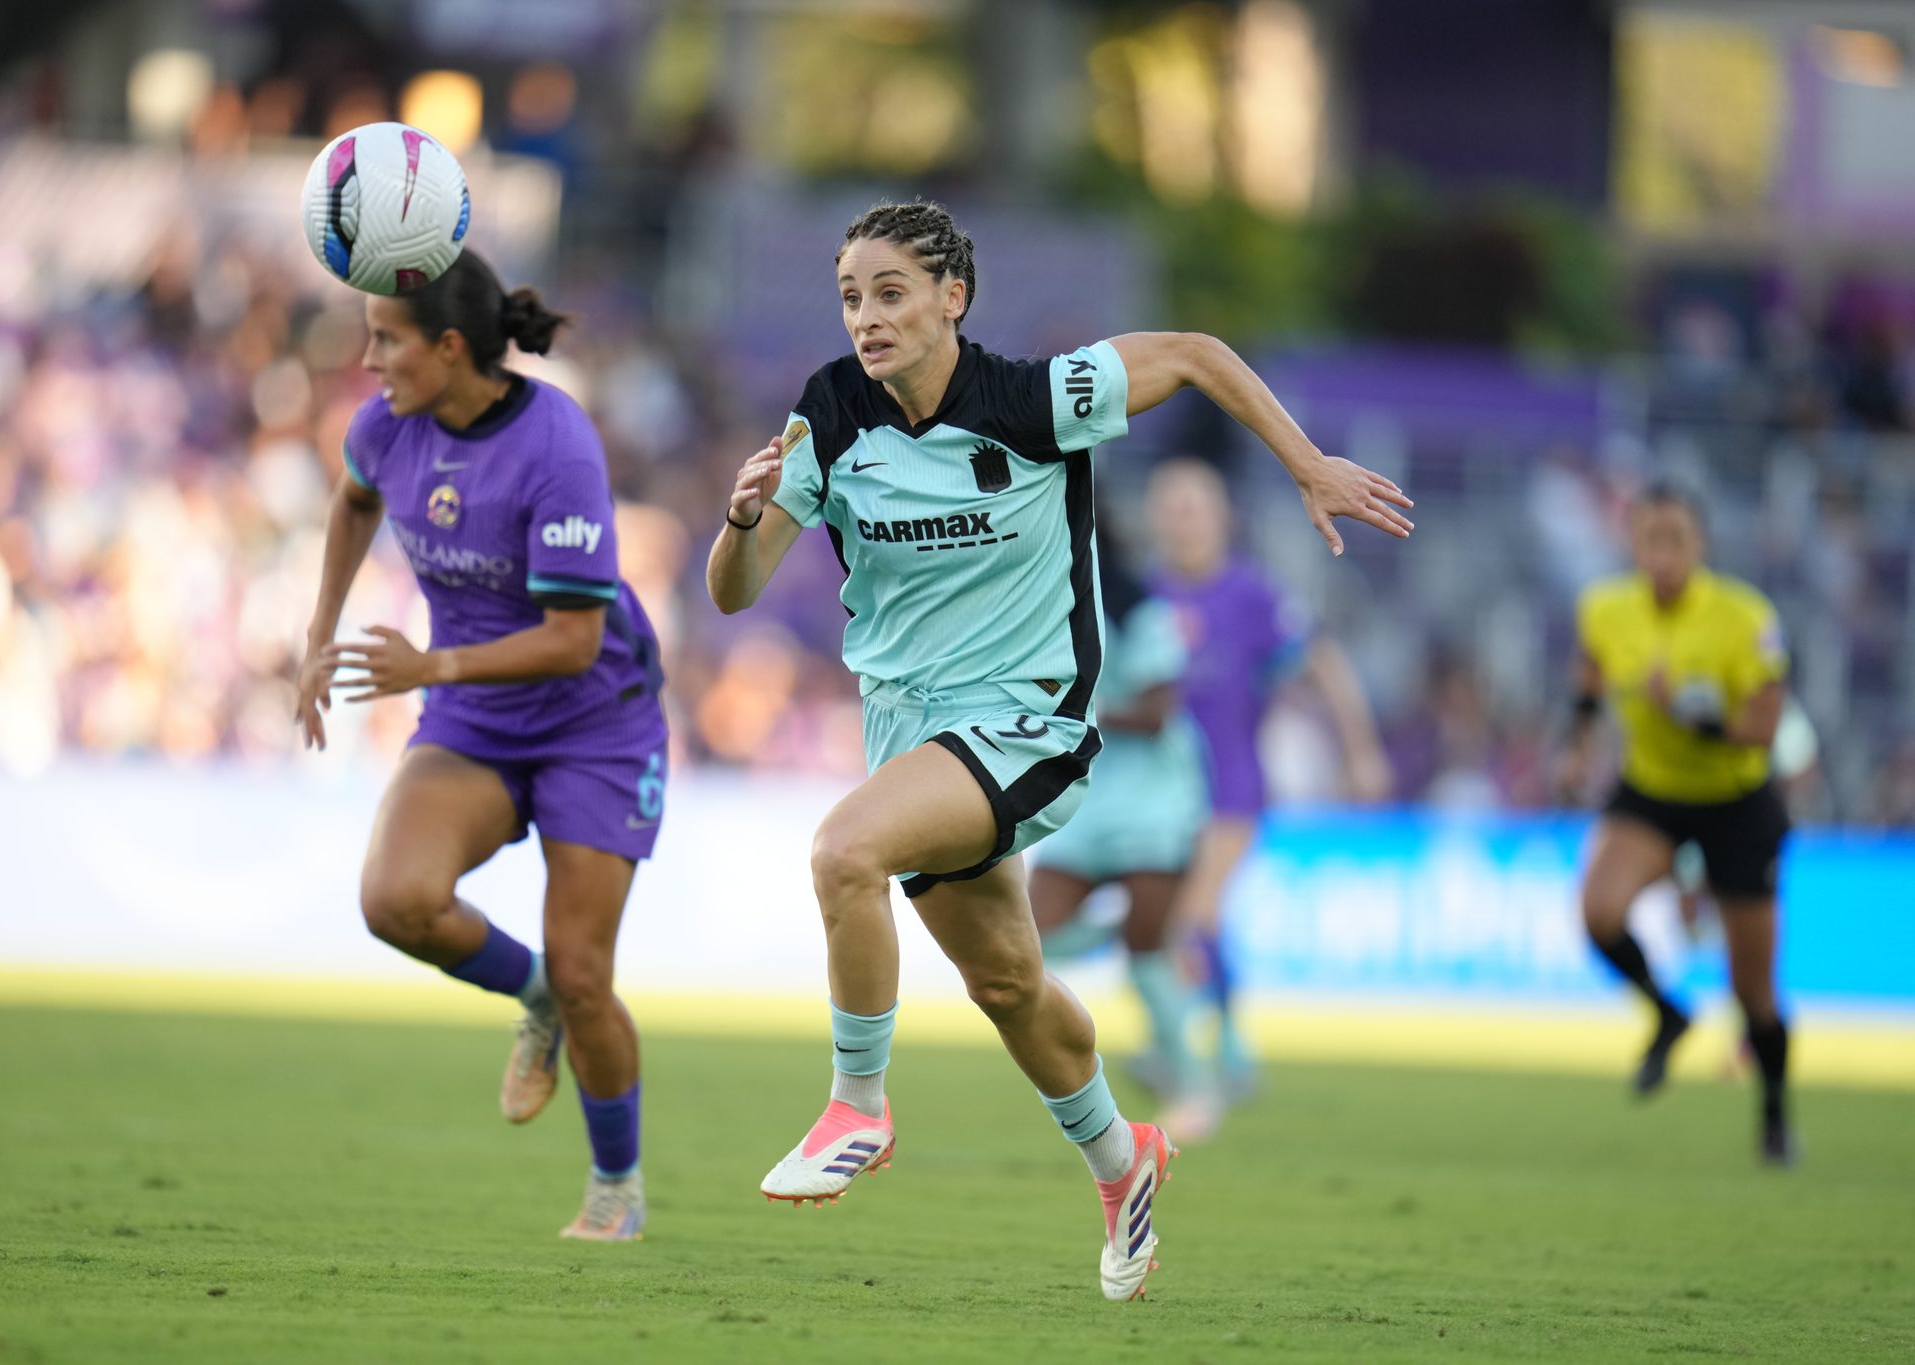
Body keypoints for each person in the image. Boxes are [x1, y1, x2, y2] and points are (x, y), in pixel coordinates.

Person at [705, 199, 1412, 1300]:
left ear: (953, 299)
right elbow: (734, 596)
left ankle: (859, 1106)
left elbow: (1191, 354)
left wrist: (1305, 463)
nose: (865, 318)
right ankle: (1122, 1161)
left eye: (890, 292)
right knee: (1006, 981)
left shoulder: (1036, 399)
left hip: (1029, 722)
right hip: (911, 735)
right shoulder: (828, 416)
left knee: (843, 852)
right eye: (850, 296)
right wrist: (741, 520)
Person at [295, 250, 669, 1238]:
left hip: (596, 720)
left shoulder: (557, 446)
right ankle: (533, 993)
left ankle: (616, 1189)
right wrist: (317, 636)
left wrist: (432, 670)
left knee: (591, 976)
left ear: (449, 348)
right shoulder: (385, 426)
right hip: (475, 717)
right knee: (396, 900)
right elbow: (353, 503)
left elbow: (574, 638)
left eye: (386, 339)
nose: (367, 358)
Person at [1557, 483, 1795, 1165]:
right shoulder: (1605, 607)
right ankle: (1668, 1012)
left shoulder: (1744, 617)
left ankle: (1775, 1112)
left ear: (1702, 546)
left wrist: (1692, 715)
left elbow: (1764, 727)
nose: (1661, 555)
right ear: (1631, 544)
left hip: (1736, 803)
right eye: (1649, 540)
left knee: (1753, 990)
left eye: (1676, 540)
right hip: (1653, 793)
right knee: (1599, 911)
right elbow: (1592, 671)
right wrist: (1576, 745)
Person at [1145, 458, 1392, 1094]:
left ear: (1223, 518)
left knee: (1188, 917)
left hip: (1232, 788)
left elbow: (1324, 664)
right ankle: (1225, 1043)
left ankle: (1184, 1050)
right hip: (1159, 797)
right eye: (1172, 510)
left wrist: (1359, 751)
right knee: (1185, 921)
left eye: (1194, 508)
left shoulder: (1251, 595)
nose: (1183, 523)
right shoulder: (1142, 595)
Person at [1029, 519, 1217, 1141]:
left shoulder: (1144, 614)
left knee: (1150, 953)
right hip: (1087, 800)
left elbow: (1159, 714)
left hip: (1155, 802)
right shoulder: (1042, 607)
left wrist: (1083, 710)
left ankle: (1194, 1090)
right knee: (1025, 941)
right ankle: (1123, 932)